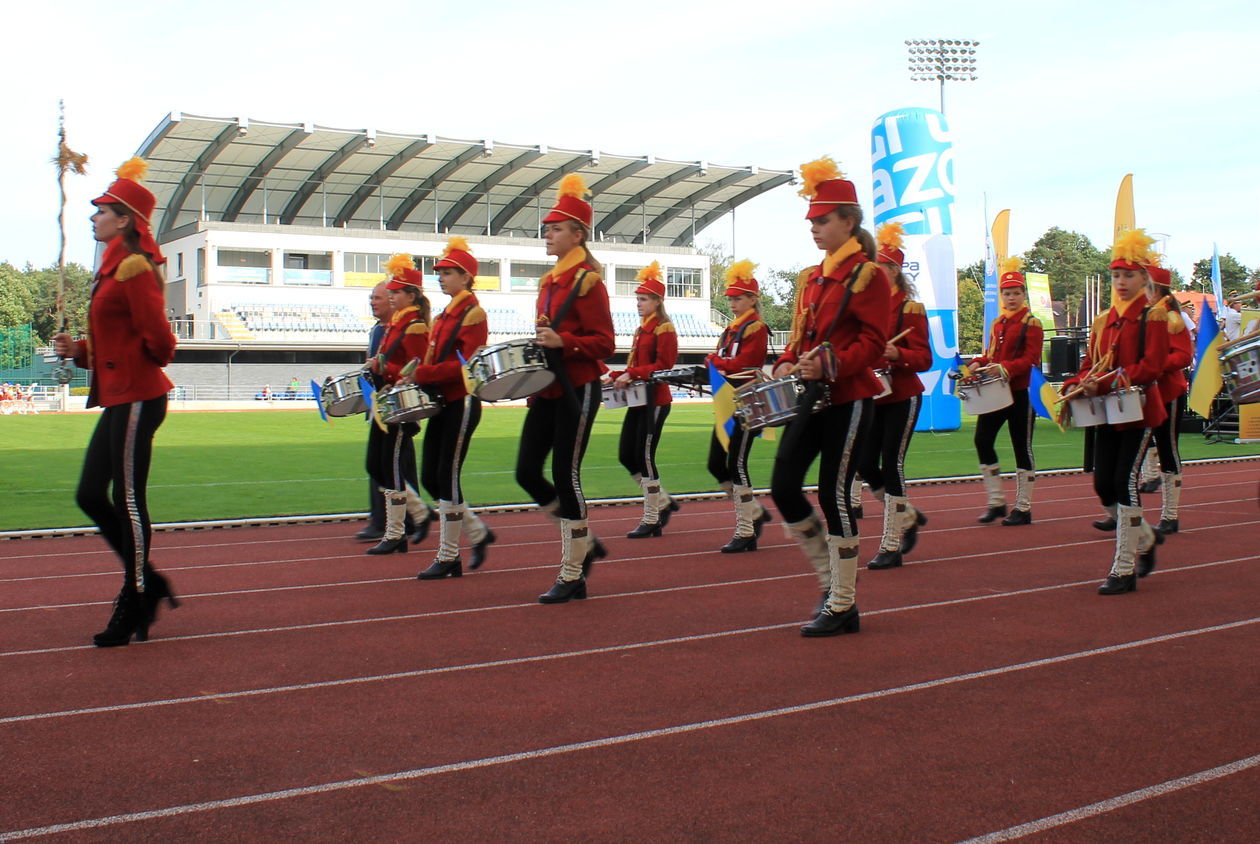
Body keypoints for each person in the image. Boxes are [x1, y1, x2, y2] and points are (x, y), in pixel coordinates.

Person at [52, 157, 179, 647]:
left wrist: (128, 364)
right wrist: (80, 351)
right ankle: (149, 579)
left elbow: (161, 343)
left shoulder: (131, 267)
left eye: (101, 209)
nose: (92, 216)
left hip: (139, 398)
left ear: (124, 218)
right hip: (120, 398)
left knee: (127, 502)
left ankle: (137, 593)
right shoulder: (109, 268)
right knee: (89, 495)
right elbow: (117, 342)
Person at [771, 157, 889, 637]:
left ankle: (843, 603)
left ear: (849, 221)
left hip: (850, 396)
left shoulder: (869, 276)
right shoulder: (814, 278)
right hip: (811, 396)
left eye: (822, 220)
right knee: (782, 486)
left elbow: (874, 342)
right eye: (813, 222)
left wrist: (830, 363)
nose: (814, 229)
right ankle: (830, 580)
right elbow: (803, 335)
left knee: (834, 494)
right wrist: (786, 359)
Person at [517, 174, 616, 603]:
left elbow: (606, 343)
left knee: (564, 473)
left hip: (579, 387)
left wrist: (566, 342)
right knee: (526, 472)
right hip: (548, 388)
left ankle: (572, 570)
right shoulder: (547, 282)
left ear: (578, 234)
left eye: (556, 229)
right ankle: (583, 542)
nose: (548, 234)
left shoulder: (589, 281)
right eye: (547, 229)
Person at [1062, 229, 1169, 594]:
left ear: (1144, 278)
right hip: (1107, 411)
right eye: (1116, 275)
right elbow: (1090, 363)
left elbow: (1152, 367)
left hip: (1137, 410)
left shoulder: (1152, 317)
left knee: (1124, 481)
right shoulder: (1103, 319)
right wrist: (1074, 383)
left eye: (1128, 275)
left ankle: (1124, 568)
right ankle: (1146, 538)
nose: (1121, 282)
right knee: (1102, 482)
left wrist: (1105, 383)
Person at [408, 237, 496, 578]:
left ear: (465, 276)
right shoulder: (445, 314)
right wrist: (415, 378)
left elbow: (465, 366)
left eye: (446, 272)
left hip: (461, 401)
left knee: (446, 476)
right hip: (442, 402)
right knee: (431, 475)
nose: (440, 277)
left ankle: (448, 556)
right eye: (439, 272)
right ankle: (475, 533)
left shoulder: (473, 313)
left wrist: (424, 373)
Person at [859, 222, 933, 569]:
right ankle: (906, 517)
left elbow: (924, 358)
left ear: (893, 270)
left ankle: (891, 543)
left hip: (903, 395)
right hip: (875, 396)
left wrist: (896, 355)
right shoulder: (867, 311)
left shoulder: (911, 310)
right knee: (864, 464)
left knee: (892, 463)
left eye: (879, 267)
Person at [363, 254, 431, 555]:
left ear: (411, 295)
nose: (391, 296)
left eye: (396, 291)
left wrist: (386, 369)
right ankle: (417, 514)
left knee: (388, 466)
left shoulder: (414, 326)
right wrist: (379, 364)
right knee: (376, 464)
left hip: (400, 403)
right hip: (387, 402)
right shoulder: (397, 324)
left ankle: (396, 531)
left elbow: (415, 365)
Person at [968, 257, 1044, 525]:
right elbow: (990, 354)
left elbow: (1031, 359)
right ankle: (996, 501)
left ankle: (1023, 507)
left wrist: (1002, 368)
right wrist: (978, 362)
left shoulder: (1031, 323)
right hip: (996, 394)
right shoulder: (998, 323)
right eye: (1006, 293)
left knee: (1021, 447)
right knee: (982, 440)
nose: (1011, 297)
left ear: (1023, 294)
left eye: (1015, 293)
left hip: (1019, 394)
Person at [608, 261, 680, 538]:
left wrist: (631, 373)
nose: (638, 304)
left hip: (655, 400)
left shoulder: (664, 329)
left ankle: (652, 517)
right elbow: (636, 365)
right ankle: (662, 502)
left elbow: (665, 366)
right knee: (627, 454)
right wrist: (617, 374)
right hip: (639, 399)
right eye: (637, 299)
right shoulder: (642, 330)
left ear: (657, 301)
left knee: (645, 457)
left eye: (644, 299)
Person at [706, 260, 771, 553]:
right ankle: (753, 512)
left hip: (747, 401)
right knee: (715, 464)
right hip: (727, 402)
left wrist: (714, 362)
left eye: (738, 297)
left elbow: (745, 363)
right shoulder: (730, 328)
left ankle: (746, 529)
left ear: (752, 299)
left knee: (736, 463)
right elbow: (725, 361)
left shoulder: (756, 327)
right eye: (730, 298)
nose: (732, 302)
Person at [1143, 265, 1193, 534]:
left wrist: (1155, 364)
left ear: (1158, 290)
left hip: (1167, 392)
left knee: (1167, 449)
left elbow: (1184, 356)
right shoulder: (1141, 317)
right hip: (1141, 393)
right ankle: (1122, 512)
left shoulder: (1174, 319)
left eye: (1146, 287)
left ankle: (1170, 515)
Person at [354, 281, 393, 542]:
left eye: (377, 297)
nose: (372, 302)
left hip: (390, 402)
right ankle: (408, 516)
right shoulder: (376, 330)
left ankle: (384, 519)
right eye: (371, 297)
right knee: (392, 463)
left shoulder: (396, 330)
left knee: (382, 463)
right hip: (377, 402)